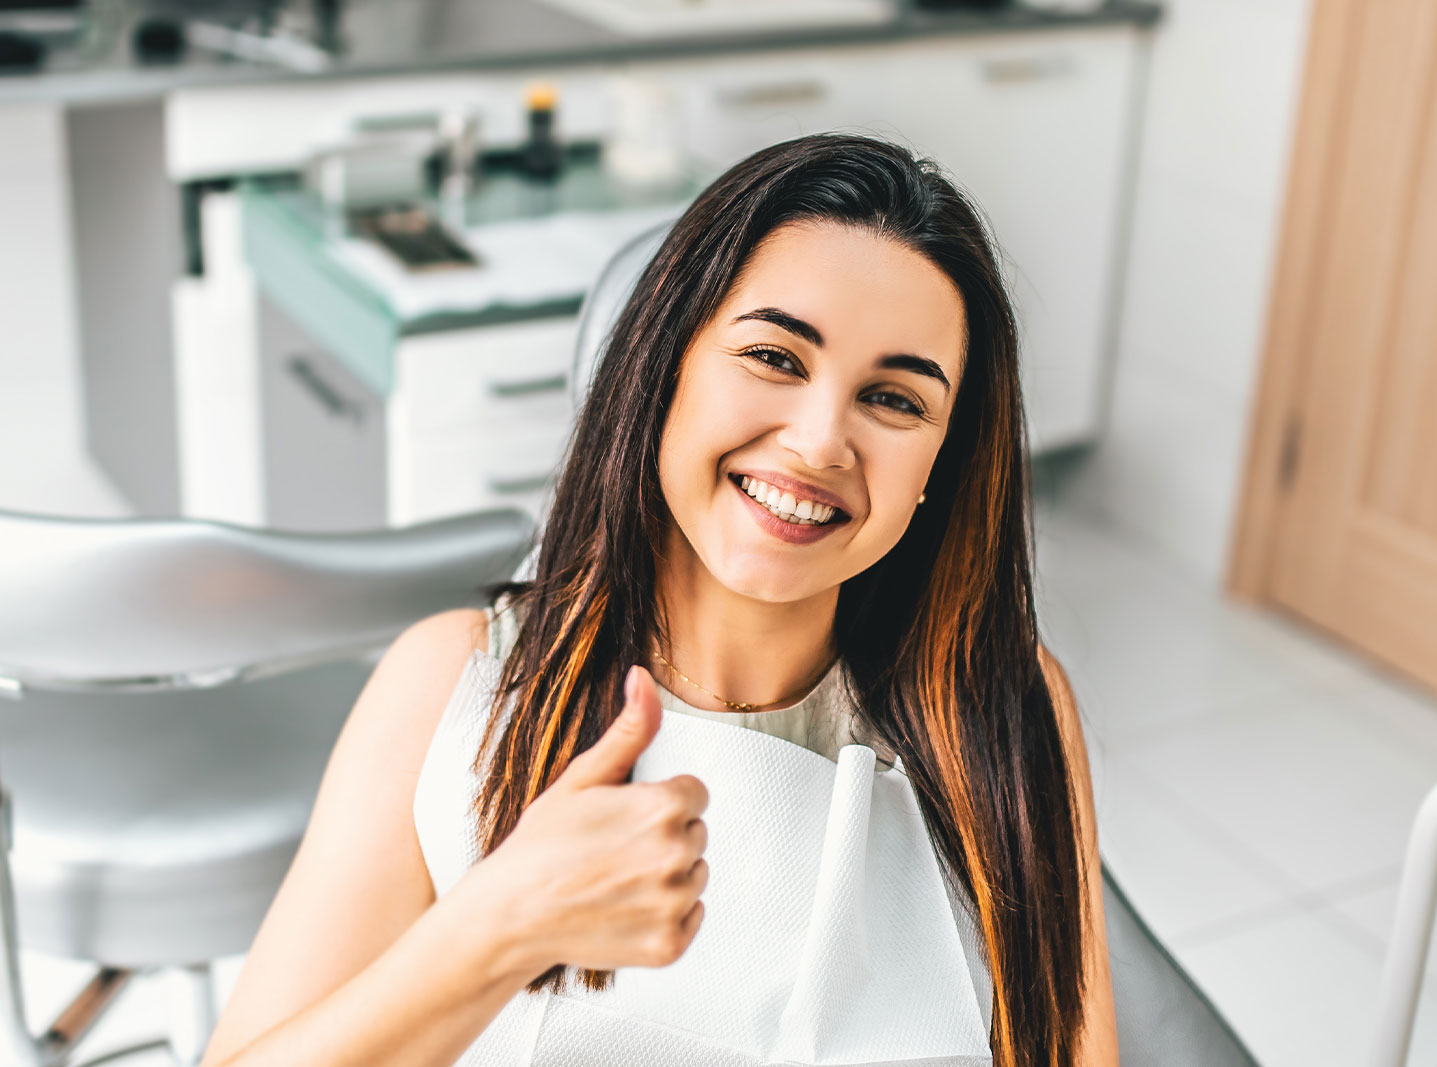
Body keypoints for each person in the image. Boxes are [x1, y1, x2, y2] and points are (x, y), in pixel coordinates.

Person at [199, 133, 1117, 1067]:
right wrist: (496, 926)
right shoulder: (454, 681)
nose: (818, 442)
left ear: (942, 467)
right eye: (774, 356)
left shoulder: (1001, 704)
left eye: (894, 400)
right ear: (663, 367)